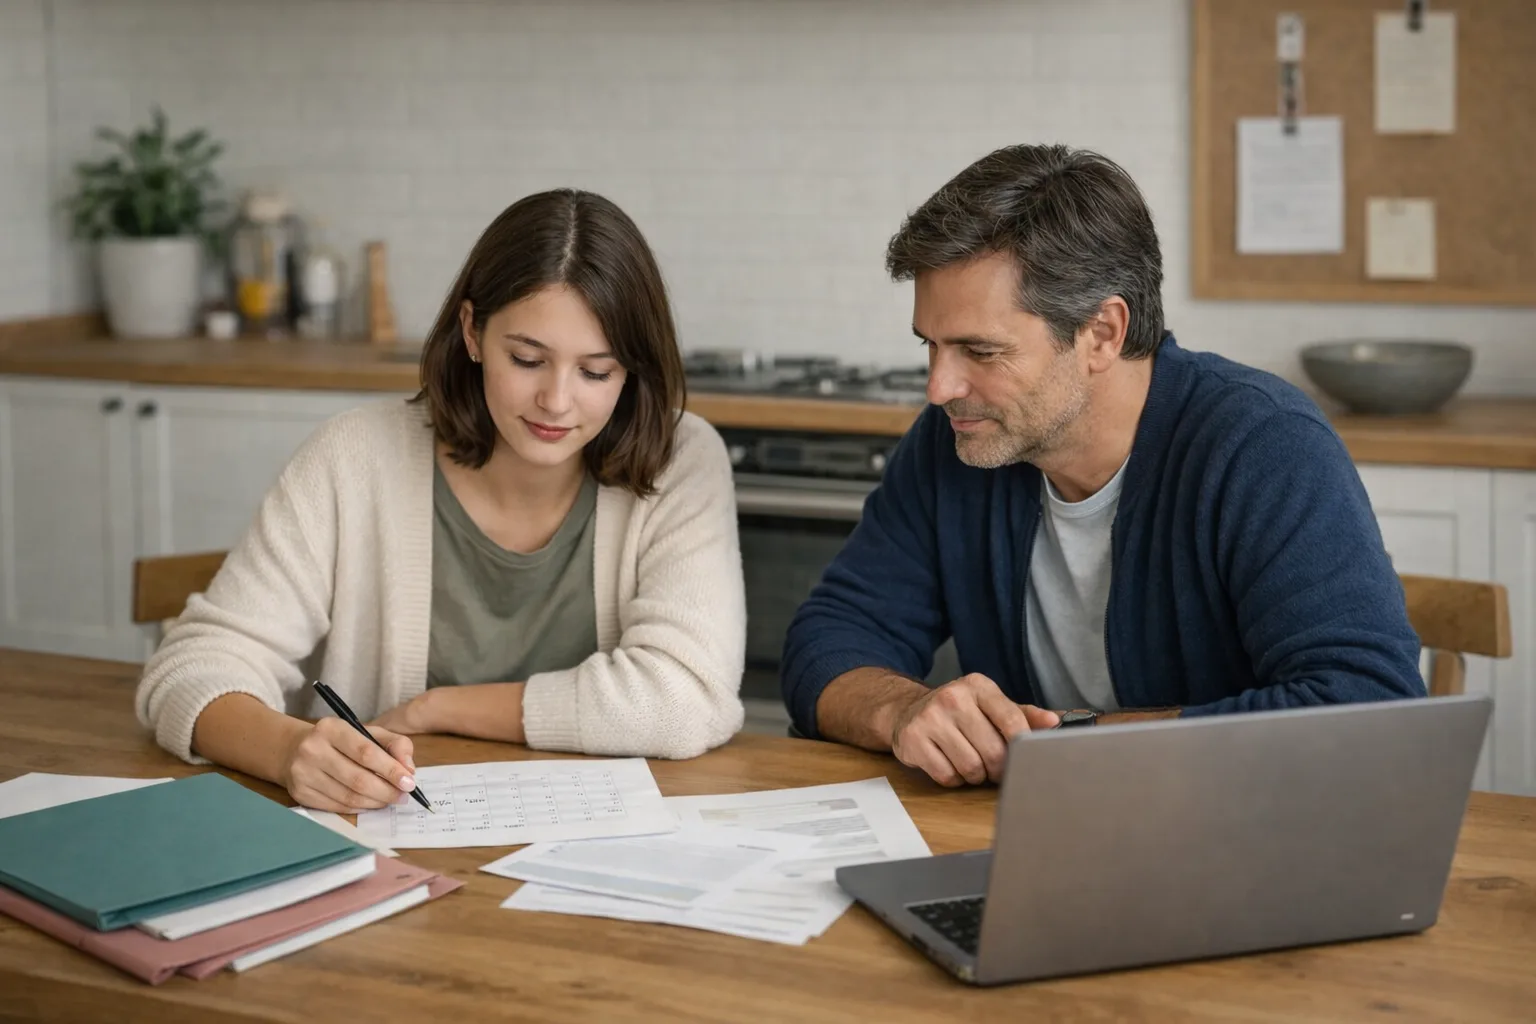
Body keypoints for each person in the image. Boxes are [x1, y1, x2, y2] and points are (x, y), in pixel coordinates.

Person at [781, 144, 1424, 788]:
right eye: (932, 347)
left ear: (1103, 333)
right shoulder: (951, 445)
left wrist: (1064, 744)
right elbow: (830, 640)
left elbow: (1370, 709)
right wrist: (904, 709)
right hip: (1030, 836)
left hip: (1240, 842)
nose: (939, 388)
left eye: (980, 351)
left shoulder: (1261, 443)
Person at [137, 190, 747, 812]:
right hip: (391, 843)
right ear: (472, 332)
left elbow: (685, 698)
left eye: (597, 372)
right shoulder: (354, 455)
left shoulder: (681, 458)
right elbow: (191, 668)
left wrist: (439, 708)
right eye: (527, 359)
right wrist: (291, 751)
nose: (557, 401)